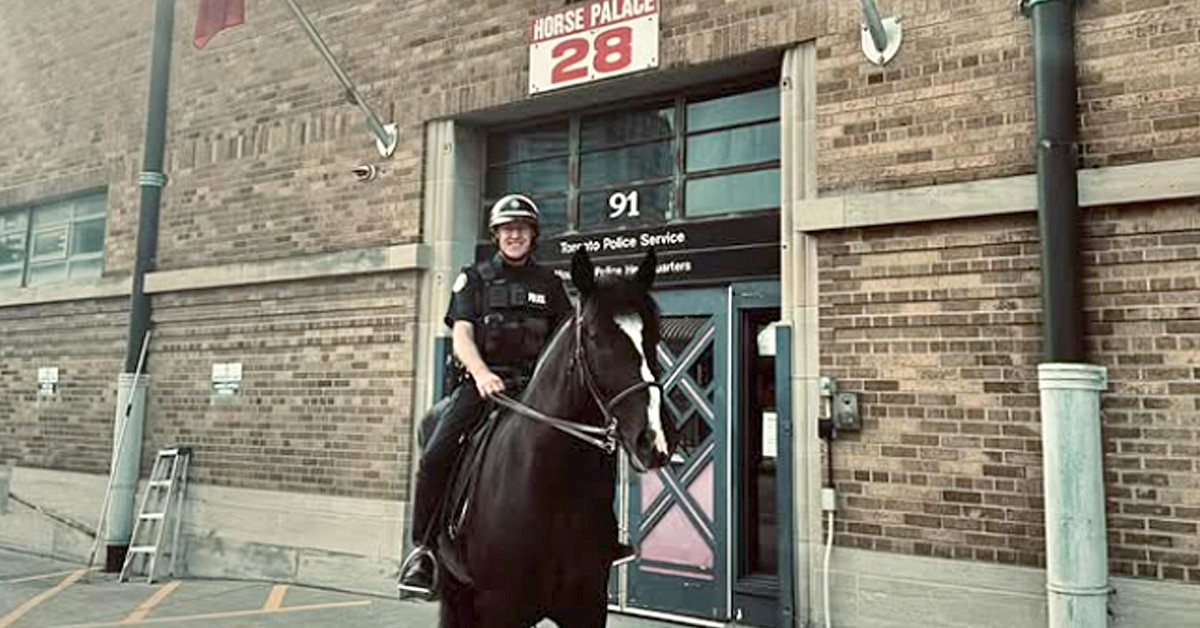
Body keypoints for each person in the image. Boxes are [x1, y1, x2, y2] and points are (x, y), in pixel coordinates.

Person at [398, 193, 636, 598]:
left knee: (599, 446)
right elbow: (462, 336)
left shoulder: (550, 285)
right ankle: (425, 550)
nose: (515, 235)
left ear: (533, 235)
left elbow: (567, 340)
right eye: (508, 229)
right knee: (437, 453)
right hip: (484, 388)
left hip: (536, 389)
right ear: (496, 235)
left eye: (522, 229)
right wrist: (481, 373)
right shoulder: (473, 279)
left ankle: (603, 536)